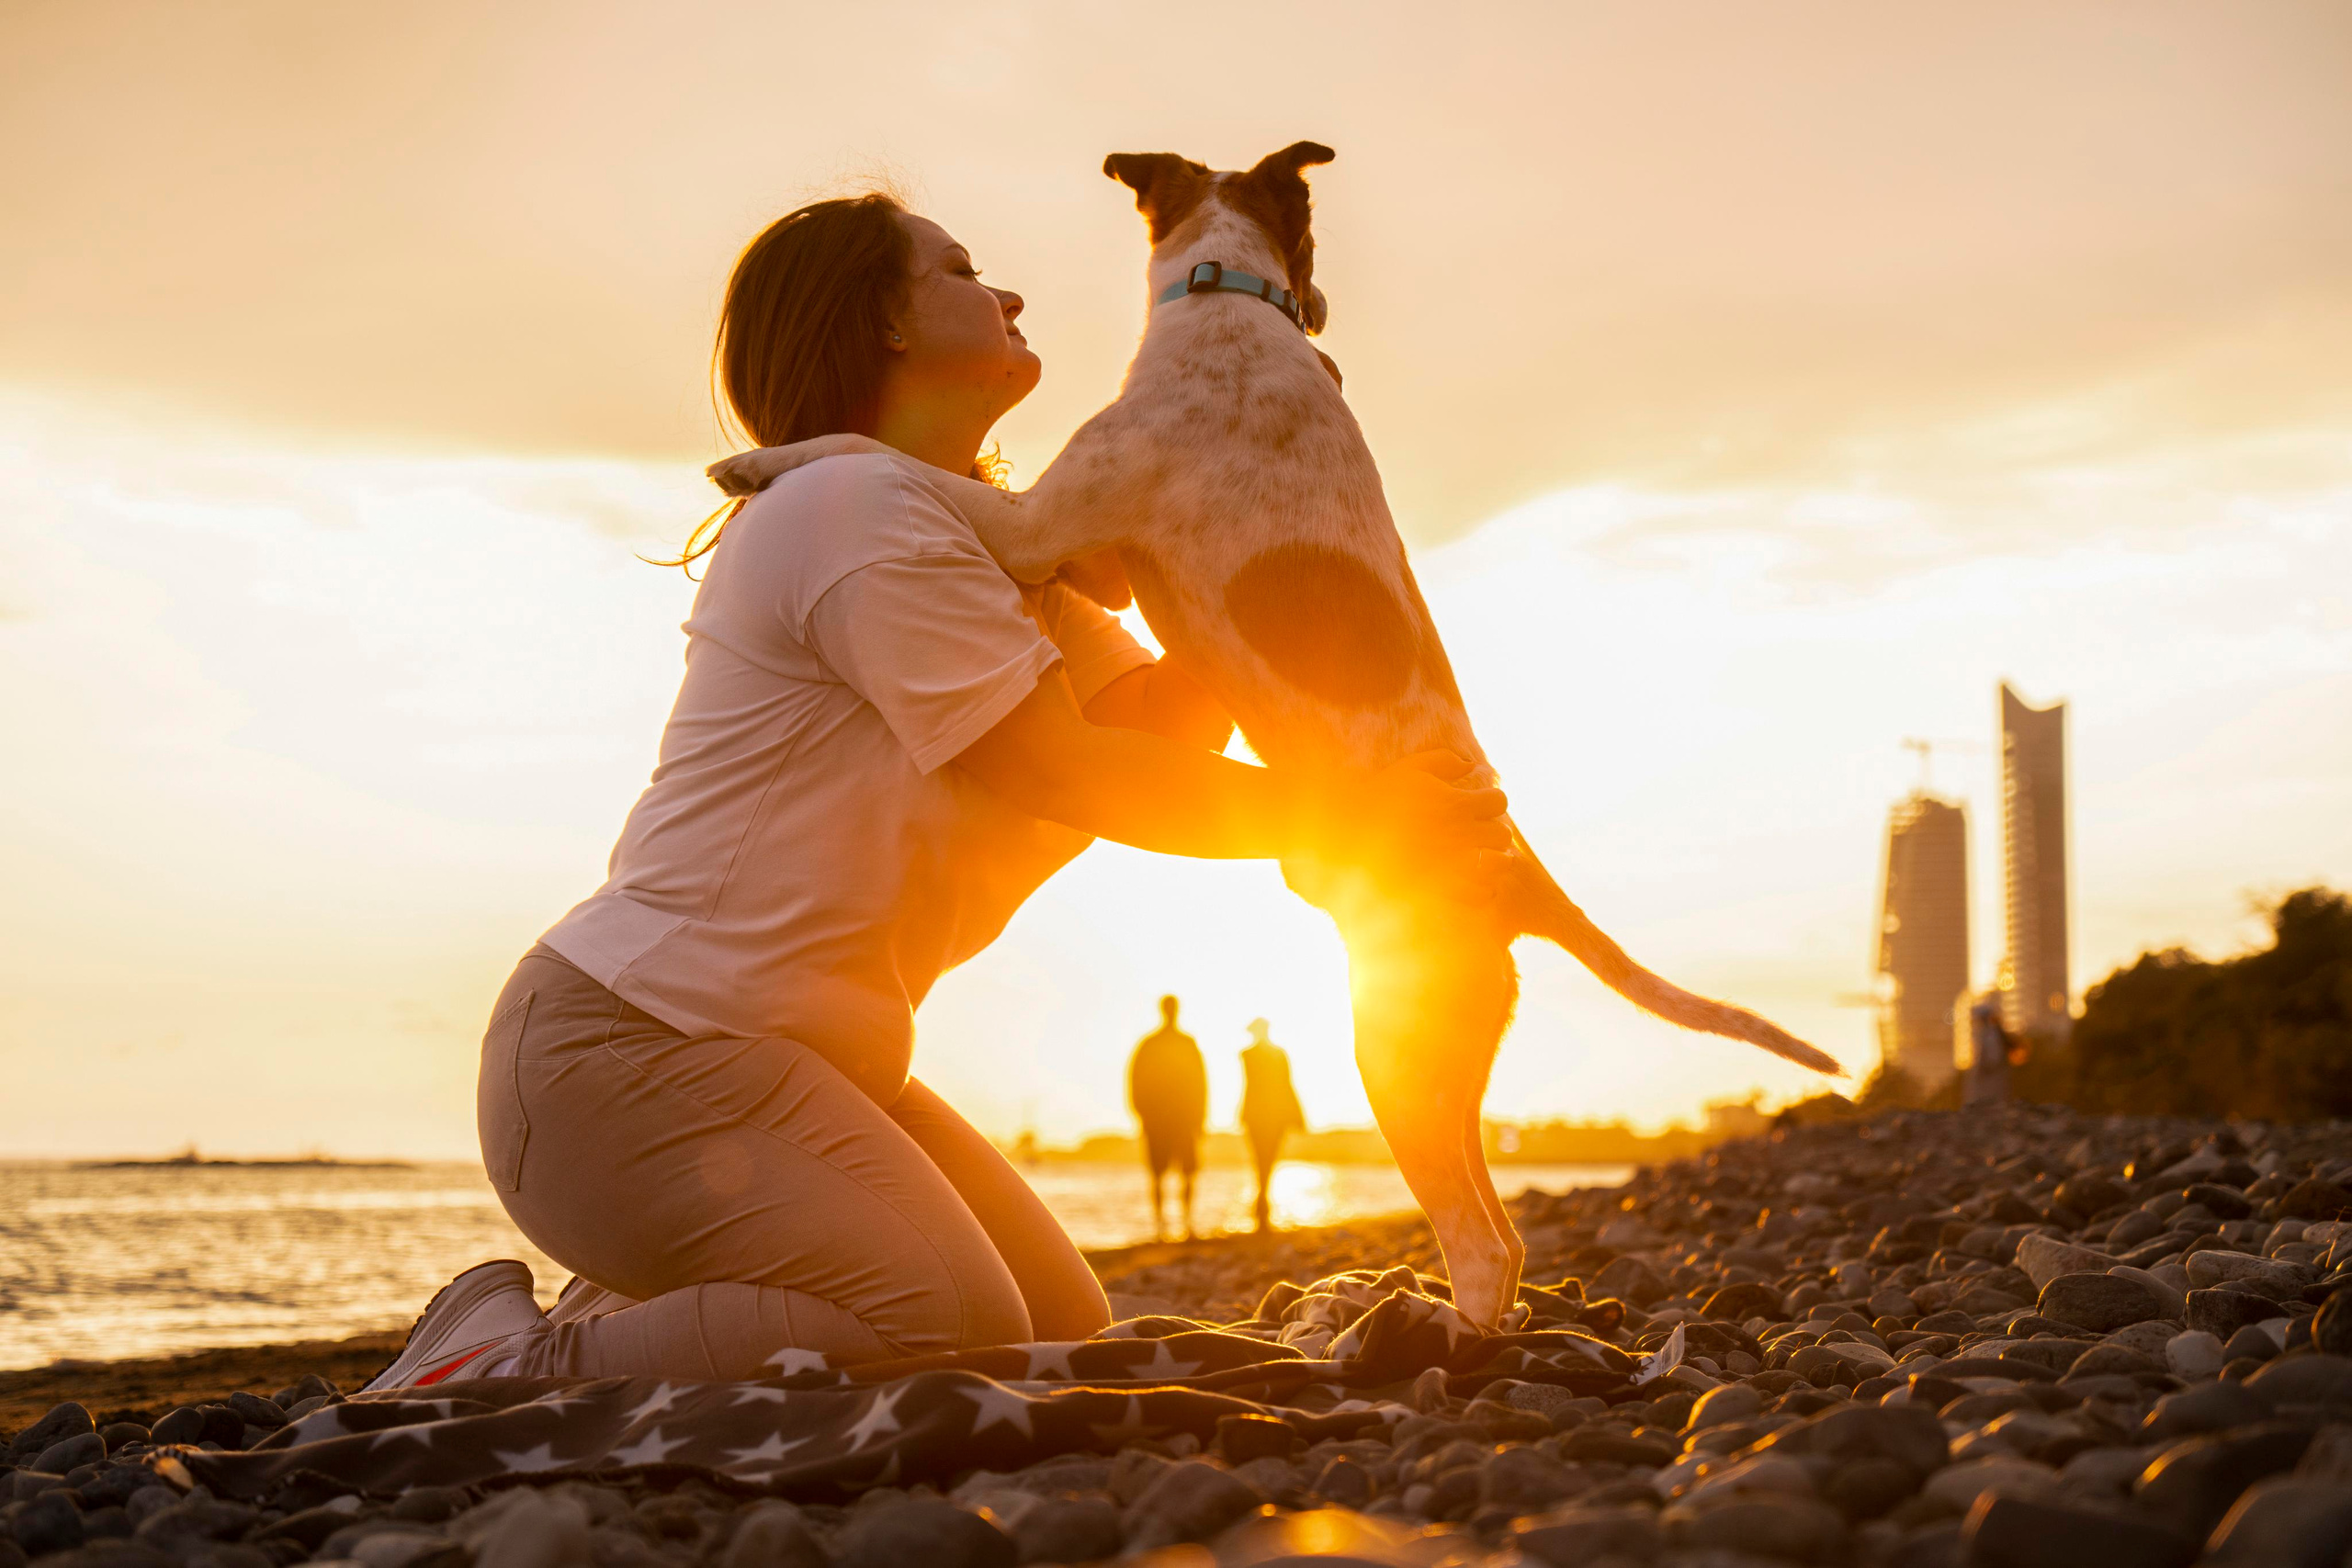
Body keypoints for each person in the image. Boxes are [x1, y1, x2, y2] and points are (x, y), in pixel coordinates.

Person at [363, 193, 1510, 1390]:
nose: (1007, 294)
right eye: (962, 270)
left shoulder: (999, 561)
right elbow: (1068, 773)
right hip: (631, 1054)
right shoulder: (850, 511)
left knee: (1054, 1323)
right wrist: (1360, 818)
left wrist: (1235, 483)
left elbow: (1164, 725)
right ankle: (503, 1356)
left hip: (805, 1066)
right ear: (884, 324)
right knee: (941, 1315)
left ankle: (649, 1290)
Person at [1128, 996, 1207, 1241]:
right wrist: (1143, 1115)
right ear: (1165, 1011)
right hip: (1158, 1121)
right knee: (1158, 1175)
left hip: (1183, 1120)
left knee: (1187, 1172)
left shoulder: (1185, 1043)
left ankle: (1187, 1223)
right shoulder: (1151, 1044)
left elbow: (1200, 1084)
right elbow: (1135, 1082)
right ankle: (1160, 1226)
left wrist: (1200, 1119)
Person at [1238, 1019, 1306, 1234]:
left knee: (1262, 1161)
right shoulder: (1272, 1054)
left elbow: (1282, 1083)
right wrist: (1297, 1115)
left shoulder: (1248, 1054)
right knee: (1265, 1161)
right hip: (1269, 1115)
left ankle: (1261, 1207)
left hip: (1259, 1115)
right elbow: (1285, 1084)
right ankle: (1262, 1207)